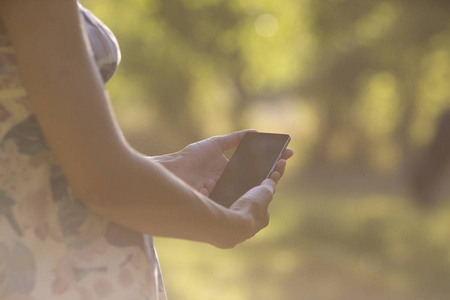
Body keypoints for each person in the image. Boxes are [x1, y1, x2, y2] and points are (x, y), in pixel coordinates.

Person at [0, 0, 293, 299]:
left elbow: (55, 164)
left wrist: (172, 165)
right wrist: (230, 224)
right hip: (53, 277)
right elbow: (103, 183)